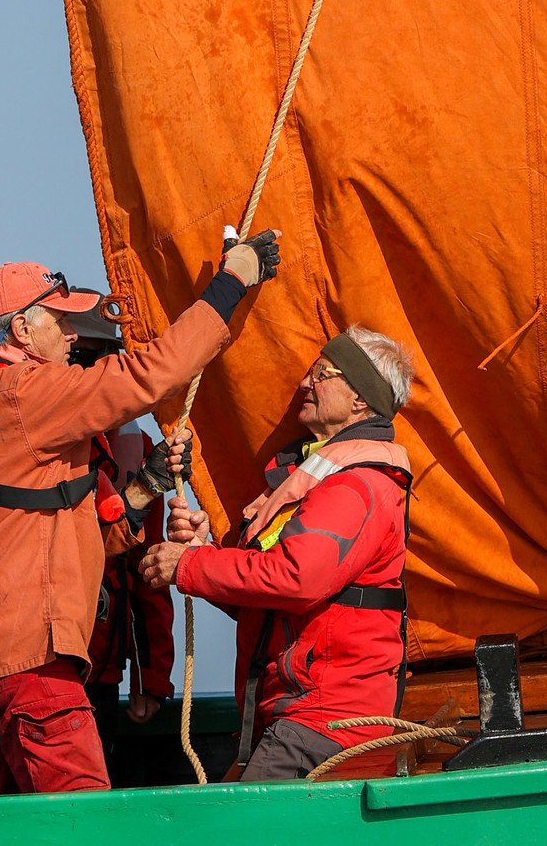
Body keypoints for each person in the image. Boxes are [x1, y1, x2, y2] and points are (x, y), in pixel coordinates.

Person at [0, 236, 279, 795]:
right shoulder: (27, 392)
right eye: (60, 323)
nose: (74, 336)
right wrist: (231, 281)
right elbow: (153, 374)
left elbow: (85, 534)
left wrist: (151, 485)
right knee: (85, 823)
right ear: (22, 331)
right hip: (32, 664)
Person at [143, 324, 414, 782]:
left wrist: (190, 565)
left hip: (326, 721)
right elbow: (267, 596)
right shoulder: (321, 478)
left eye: (322, 374)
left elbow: (296, 578)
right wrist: (205, 550)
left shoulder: (356, 485)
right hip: (296, 718)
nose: (304, 384)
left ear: (360, 400)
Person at [83, 423, 175, 767]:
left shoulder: (137, 450)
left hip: (99, 670)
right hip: (19, 667)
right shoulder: (24, 430)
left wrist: (149, 677)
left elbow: (147, 568)